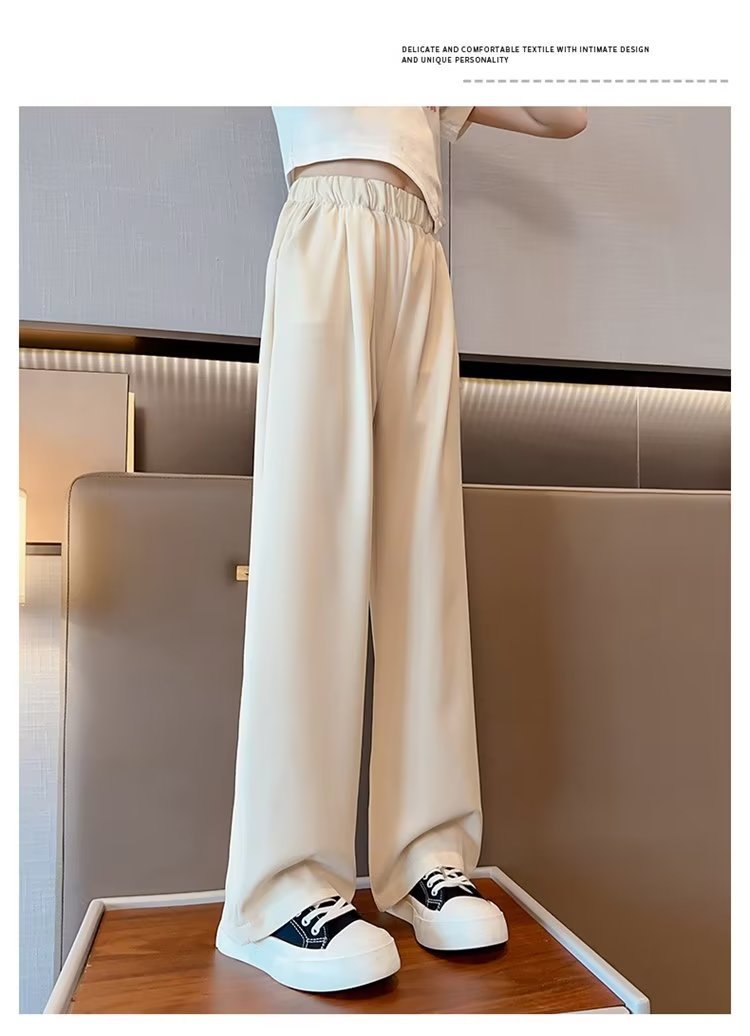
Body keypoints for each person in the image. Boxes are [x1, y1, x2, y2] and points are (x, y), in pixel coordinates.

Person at [216, 106, 588, 994]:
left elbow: (566, 113)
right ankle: (277, 890)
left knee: (425, 566)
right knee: (311, 561)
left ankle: (425, 856)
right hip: (327, 222)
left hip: (418, 247)